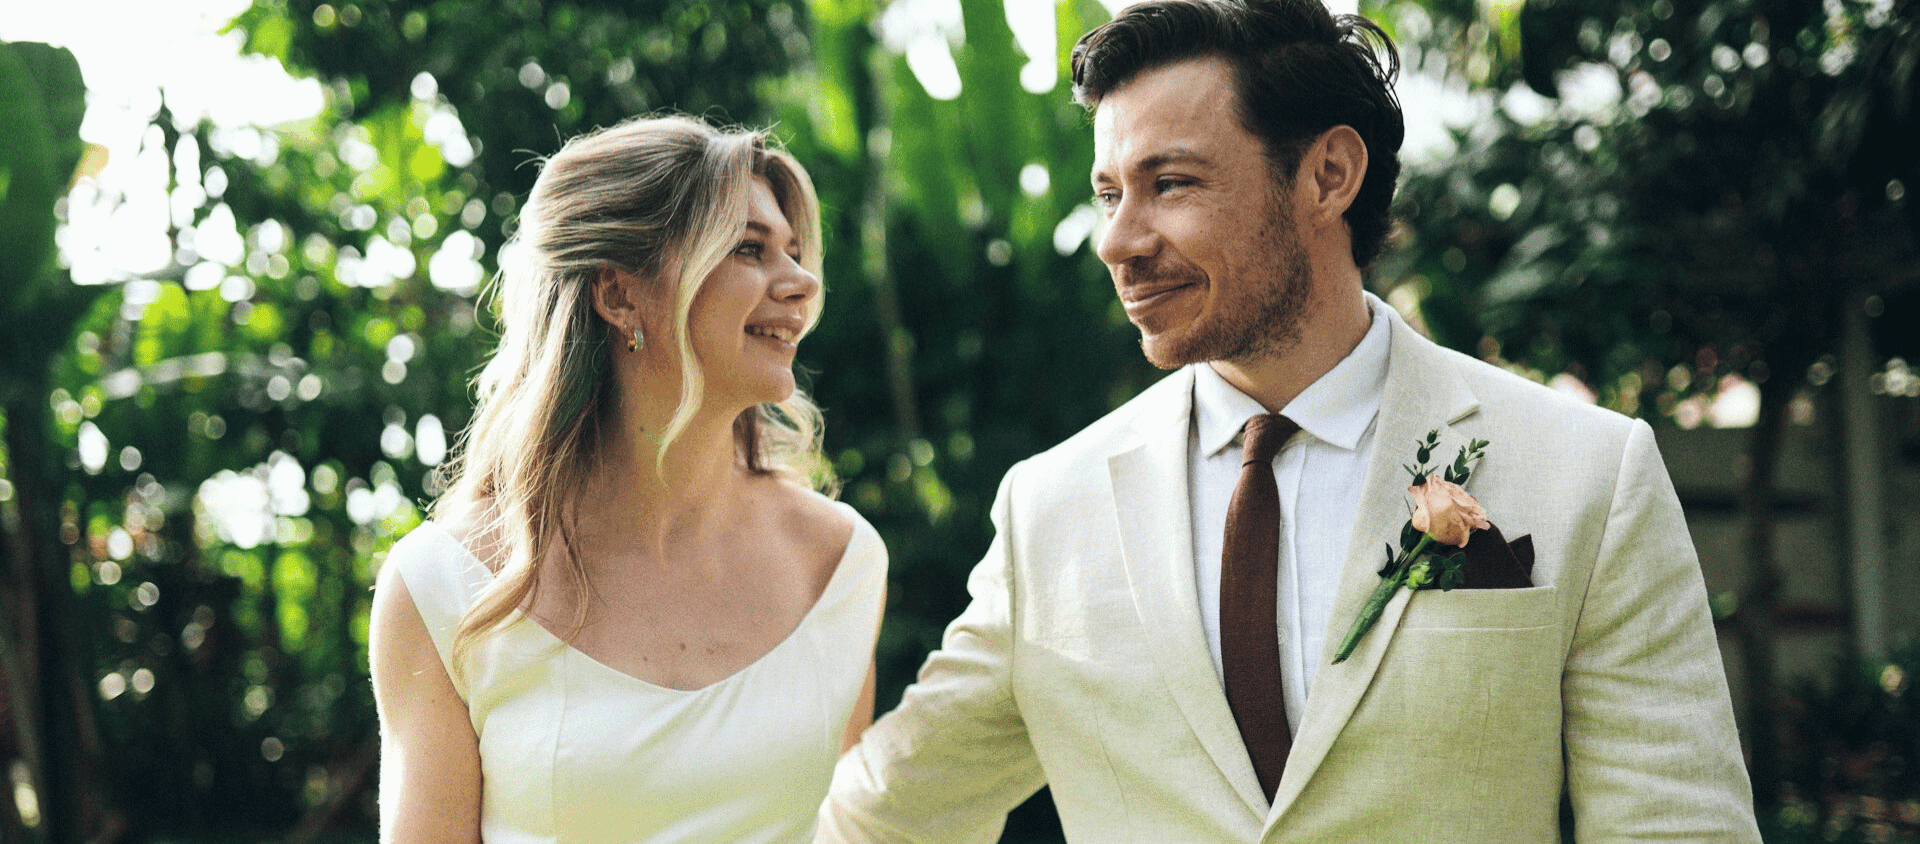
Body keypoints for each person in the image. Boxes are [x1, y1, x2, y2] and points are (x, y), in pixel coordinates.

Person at [817, 1, 1761, 841]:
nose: (1118, 242)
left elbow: (1675, 823)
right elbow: (892, 812)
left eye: (1171, 184)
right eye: (1109, 193)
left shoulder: (1587, 473)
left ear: (1329, 175)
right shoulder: (1046, 508)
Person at [368, 115, 885, 844]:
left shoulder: (838, 564)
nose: (801, 284)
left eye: (795, 253)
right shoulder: (444, 585)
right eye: (748, 249)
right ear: (620, 298)